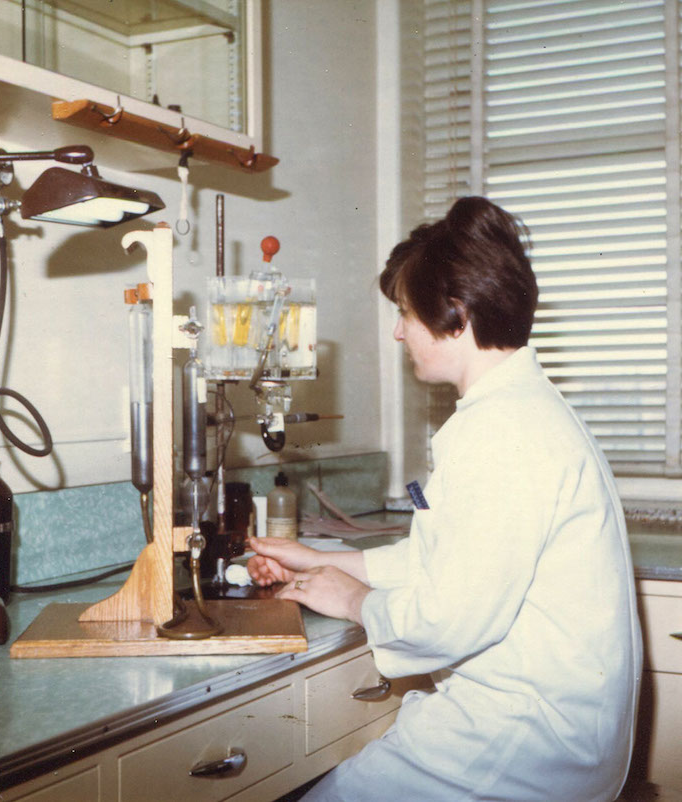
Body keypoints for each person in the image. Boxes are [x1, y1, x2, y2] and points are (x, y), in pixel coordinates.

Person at [247, 197, 643, 802]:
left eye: (406, 312)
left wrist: (352, 599)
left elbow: (448, 618)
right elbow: (459, 558)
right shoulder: (519, 411)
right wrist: (323, 560)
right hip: (554, 738)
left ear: (456, 315)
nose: (399, 330)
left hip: (521, 748)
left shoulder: (501, 432)